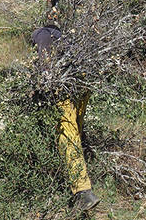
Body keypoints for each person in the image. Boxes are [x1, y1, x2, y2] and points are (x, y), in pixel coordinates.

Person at [31, 24, 100, 212]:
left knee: (67, 133)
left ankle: (82, 192)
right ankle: (85, 167)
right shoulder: (65, 38)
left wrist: (44, 77)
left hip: (66, 86)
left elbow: (45, 58)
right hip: (84, 81)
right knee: (77, 129)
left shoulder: (41, 34)